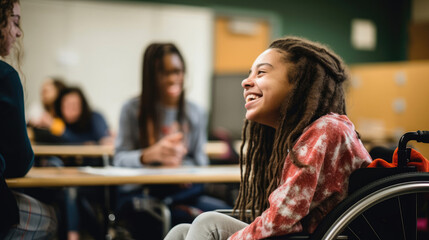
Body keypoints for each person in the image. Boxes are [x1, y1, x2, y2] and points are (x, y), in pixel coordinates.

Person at [164, 36, 373, 240]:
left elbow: (281, 219)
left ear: (299, 83)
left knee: (207, 224)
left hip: (326, 234)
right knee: (182, 231)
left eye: (261, 72)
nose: (246, 82)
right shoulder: (298, 135)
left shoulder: (327, 129)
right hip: (303, 234)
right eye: (250, 74)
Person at [114, 43, 229, 239]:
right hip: (143, 194)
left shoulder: (195, 112)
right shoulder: (132, 109)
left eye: (177, 71)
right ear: (150, 77)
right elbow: (119, 159)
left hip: (182, 192)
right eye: (164, 73)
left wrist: (180, 166)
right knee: (165, 220)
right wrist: (149, 155)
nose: (173, 78)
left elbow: (201, 162)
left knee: (224, 215)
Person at [0, 0, 57, 238]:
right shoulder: (5, 77)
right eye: (14, 22)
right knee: (54, 218)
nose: (18, 32)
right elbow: (20, 162)